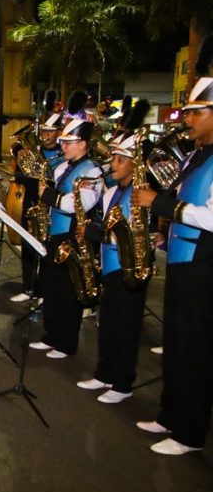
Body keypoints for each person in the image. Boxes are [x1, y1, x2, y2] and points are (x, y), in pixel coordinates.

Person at [131, 73, 213, 455]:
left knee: (195, 348)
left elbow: (210, 216)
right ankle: (169, 414)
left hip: (203, 266)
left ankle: (189, 433)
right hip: (182, 257)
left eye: (197, 112)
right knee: (176, 342)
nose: (187, 119)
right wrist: (165, 233)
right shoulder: (198, 154)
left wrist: (159, 204)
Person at [75, 133, 147, 404]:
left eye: (120, 160)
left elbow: (124, 234)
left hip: (128, 268)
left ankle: (122, 383)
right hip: (110, 266)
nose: (113, 164)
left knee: (125, 328)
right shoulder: (113, 191)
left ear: (134, 164)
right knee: (107, 325)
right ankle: (104, 373)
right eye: (113, 158)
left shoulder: (138, 193)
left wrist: (92, 233)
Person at [29, 118, 103, 358]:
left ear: (82, 143)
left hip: (73, 235)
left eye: (69, 142)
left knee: (68, 290)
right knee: (51, 285)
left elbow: (81, 203)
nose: (63, 146)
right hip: (55, 232)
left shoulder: (93, 171)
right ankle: (51, 335)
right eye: (63, 142)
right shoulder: (61, 167)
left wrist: (52, 198)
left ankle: (66, 342)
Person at [10, 108, 65, 303]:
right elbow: (19, 178)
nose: (46, 135)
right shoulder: (32, 152)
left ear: (59, 132)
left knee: (46, 249)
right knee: (28, 245)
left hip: (51, 206)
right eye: (44, 131)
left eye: (51, 131)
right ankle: (28, 288)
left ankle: (42, 291)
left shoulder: (63, 155)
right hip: (31, 202)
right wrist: (20, 169)